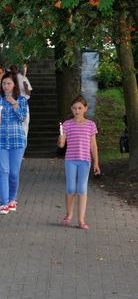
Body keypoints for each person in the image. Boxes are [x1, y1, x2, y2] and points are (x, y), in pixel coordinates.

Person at [0, 72, 28, 215]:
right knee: (3, 171)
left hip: (17, 140)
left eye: (9, 83)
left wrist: (14, 103)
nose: (6, 86)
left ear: (14, 85)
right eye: (4, 83)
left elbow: (22, 117)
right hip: (0, 140)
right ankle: (4, 203)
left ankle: (12, 199)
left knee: (14, 173)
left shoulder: (21, 100)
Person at [57, 96, 100, 231]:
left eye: (80, 108)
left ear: (85, 109)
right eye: (74, 108)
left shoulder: (90, 125)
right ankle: (68, 214)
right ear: (71, 109)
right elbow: (61, 144)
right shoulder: (67, 124)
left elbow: (93, 145)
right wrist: (60, 140)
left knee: (82, 189)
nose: (77, 111)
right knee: (70, 188)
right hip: (70, 160)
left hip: (85, 161)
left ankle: (81, 220)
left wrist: (96, 163)